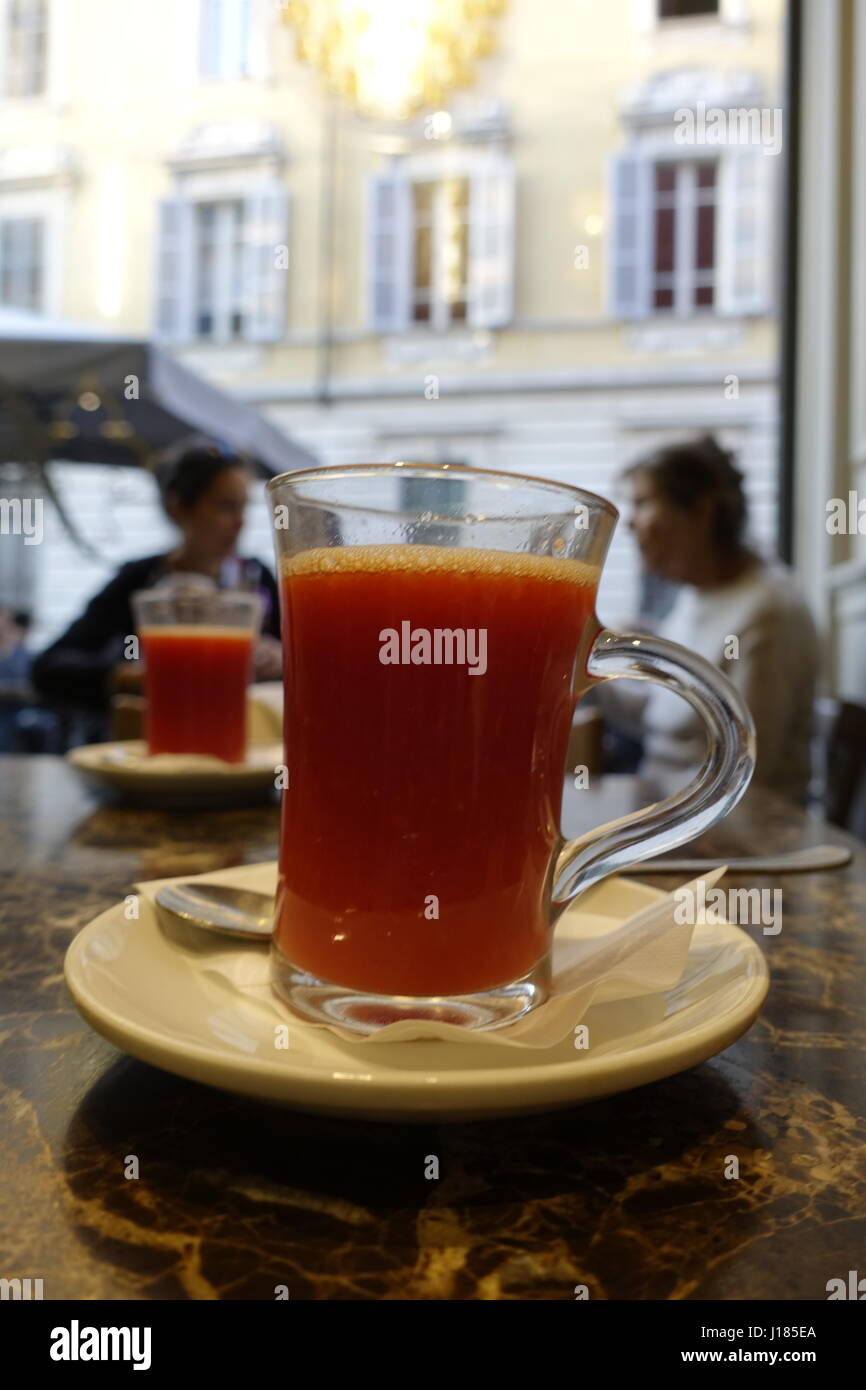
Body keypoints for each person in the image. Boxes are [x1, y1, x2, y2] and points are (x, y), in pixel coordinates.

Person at [600, 434, 819, 804]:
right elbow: (662, 718)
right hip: (669, 805)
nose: (630, 523)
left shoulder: (769, 613)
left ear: (701, 511)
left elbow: (748, 773)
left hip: (737, 831)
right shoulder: (694, 596)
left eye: (642, 503)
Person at [32, 444, 283, 720]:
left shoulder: (258, 577)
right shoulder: (139, 580)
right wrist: (132, 676)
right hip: (160, 731)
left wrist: (281, 658)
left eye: (243, 507)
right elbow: (49, 668)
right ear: (177, 508)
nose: (240, 522)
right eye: (225, 507)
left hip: (243, 732)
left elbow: (306, 663)